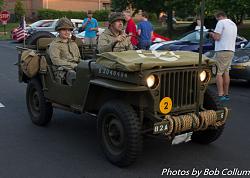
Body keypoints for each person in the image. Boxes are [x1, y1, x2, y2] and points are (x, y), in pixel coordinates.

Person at [209, 11, 237, 101]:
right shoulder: (233, 24)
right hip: (231, 50)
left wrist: (211, 34)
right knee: (226, 72)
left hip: (222, 50)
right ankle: (226, 94)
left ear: (220, 17)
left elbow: (217, 37)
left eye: (216, 19)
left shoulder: (221, 22)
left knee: (218, 72)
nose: (216, 20)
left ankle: (220, 95)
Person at [49, 17, 81, 85]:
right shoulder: (54, 45)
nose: (67, 32)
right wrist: (73, 65)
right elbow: (56, 61)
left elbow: (79, 58)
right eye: (64, 30)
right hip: (62, 69)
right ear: (58, 31)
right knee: (73, 75)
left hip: (76, 67)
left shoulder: (73, 43)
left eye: (69, 30)